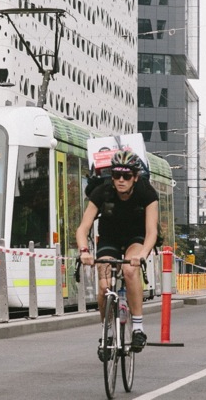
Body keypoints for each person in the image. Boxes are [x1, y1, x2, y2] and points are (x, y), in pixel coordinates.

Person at [76, 150, 159, 356]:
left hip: (136, 238)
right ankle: (107, 332)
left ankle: (138, 328)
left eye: (126, 176)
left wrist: (143, 254)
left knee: (130, 271)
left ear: (135, 177)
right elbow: (83, 228)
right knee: (104, 286)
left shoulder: (146, 192)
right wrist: (84, 251)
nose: (121, 180)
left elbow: (152, 232)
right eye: (116, 175)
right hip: (109, 238)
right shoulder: (103, 191)